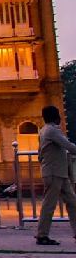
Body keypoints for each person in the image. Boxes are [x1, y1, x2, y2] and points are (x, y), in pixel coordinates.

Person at [35, 105, 76, 246]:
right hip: (54, 173)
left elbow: (40, 154)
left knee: (72, 202)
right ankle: (42, 235)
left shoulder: (44, 130)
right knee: (49, 205)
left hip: (59, 173)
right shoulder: (52, 130)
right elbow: (68, 146)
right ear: (55, 117)